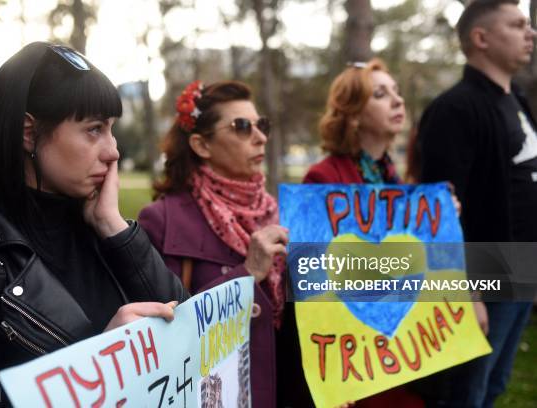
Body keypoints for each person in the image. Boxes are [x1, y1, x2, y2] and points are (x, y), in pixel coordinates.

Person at [0, 42, 189, 396]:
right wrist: (99, 365)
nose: (113, 151)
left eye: (111, 129)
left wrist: (114, 227)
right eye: (94, 129)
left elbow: (191, 338)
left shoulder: (106, 234)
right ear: (29, 132)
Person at [138, 80, 288, 408]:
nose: (261, 137)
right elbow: (157, 338)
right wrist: (246, 274)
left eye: (261, 125)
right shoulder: (161, 222)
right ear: (201, 145)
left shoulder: (275, 211)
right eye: (242, 127)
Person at [418, 1, 536, 406]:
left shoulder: (514, 98)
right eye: (518, 25)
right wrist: (467, 293)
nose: (531, 33)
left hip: (521, 270)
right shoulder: (454, 110)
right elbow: (437, 214)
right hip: (485, 276)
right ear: (481, 38)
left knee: (494, 387)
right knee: (464, 395)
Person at [303, 58, 424, 408]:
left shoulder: (392, 177)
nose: (398, 101)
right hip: (354, 354)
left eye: (397, 93)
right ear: (354, 114)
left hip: (400, 348)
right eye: (382, 94)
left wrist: (436, 221)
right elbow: (313, 281)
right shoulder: (323, 178)